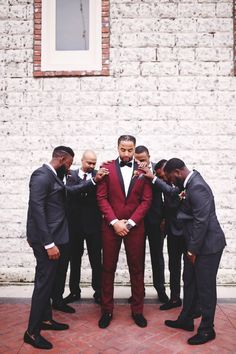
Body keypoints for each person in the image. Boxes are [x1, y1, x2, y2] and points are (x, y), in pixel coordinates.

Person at [162, 158, 226, 345]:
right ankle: (186, 319)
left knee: (205, 288)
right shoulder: (189, 183)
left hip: (207, 247)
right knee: (189, 281)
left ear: (178, 172)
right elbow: (180, 199)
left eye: (171, 179)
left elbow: (201, 221)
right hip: (195, 245)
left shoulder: (197, 186)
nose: (172, 182)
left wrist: (192, 250)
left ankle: (207, 330)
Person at [96, 135, 152, 328]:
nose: (126, 153)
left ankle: (138, 311)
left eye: (130, 150)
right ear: (118, 147)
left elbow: (146, 201)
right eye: (123, 149)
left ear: (134, 149)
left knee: (137, 269)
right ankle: (107, 310)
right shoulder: (107, 168)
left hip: (135, 228)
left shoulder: (144, 171)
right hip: (111, 227)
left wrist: (129, 223)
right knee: (108, 268)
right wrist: (114, 222)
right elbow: (101, 198)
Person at [24, 146, 74, 350]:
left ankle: (45, 319)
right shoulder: (41, 176)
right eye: (69, 163)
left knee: (48, 281)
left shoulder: (54, 177)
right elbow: (37, 209)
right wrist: (48, 244)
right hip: (47, 241)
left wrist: (64, 177)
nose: (70, 168)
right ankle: (32, 332)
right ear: (61, 159)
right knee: (44, 285)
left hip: (55, 238)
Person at [142, 159, 185, 310]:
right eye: (160, 176)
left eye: (164, 176)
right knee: (171, 265)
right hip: (148, 224)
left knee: (161, 259)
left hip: (171, 228)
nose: (163, 179)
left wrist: (164, 219)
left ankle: (164, 291)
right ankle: (141, 292)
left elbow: (172, 196)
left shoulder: (178, 180)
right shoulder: (143, 172)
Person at [64, 150, 103, 305]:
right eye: (89, 162)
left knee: (96, 260)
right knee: (74, 260)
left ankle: (98, 291)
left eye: (94, 163)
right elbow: (71, 192)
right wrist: (93, 181)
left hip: (94, 226)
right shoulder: (70, 176)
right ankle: (74, 291)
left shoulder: (99, 176)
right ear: (82, 161)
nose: (91, 166)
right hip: (74, 226)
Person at [134, 147, 168, 303]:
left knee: (157, 257)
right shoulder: (131, 171)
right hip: (138, 222)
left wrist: (165, 219)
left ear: (149, 157)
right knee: (137, 258)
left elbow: (168, 194)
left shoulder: (159, 171)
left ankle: (160, 290)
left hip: (156, 222)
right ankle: (138, 292)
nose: (141, 162)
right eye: (138, 159)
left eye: (143, 159)